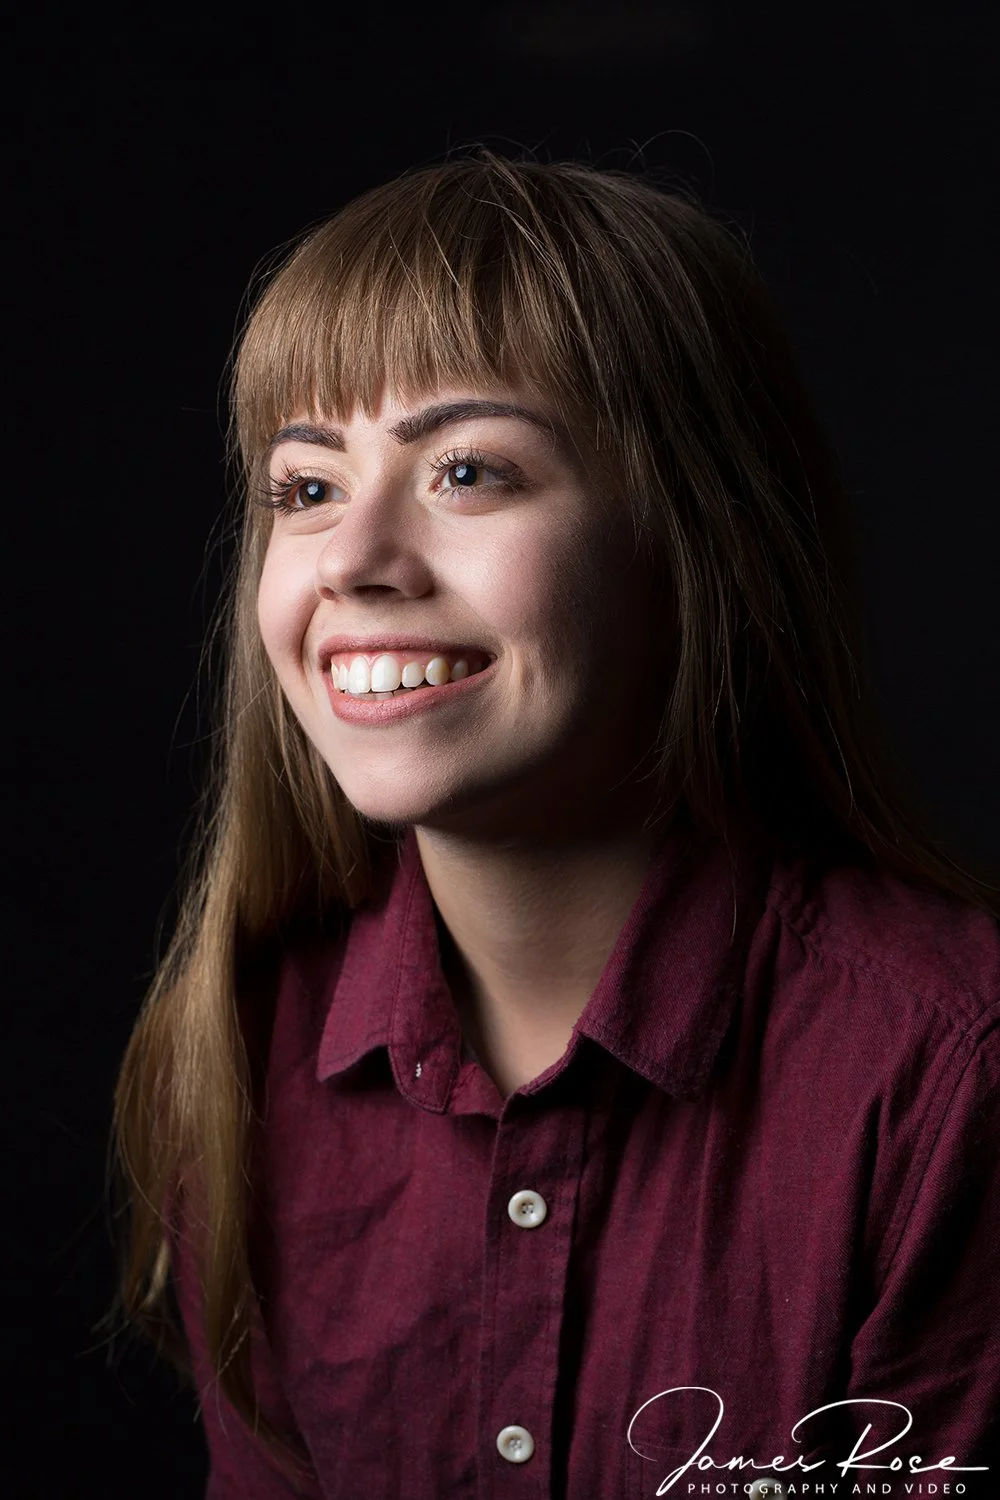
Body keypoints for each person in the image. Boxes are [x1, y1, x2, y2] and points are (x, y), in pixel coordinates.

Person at [108, 149, 1000, 1499]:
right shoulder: (244, 1054)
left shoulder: (948, 1076)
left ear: (694, 535)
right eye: (306, 487)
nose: (355, 558)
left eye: (468, 472)